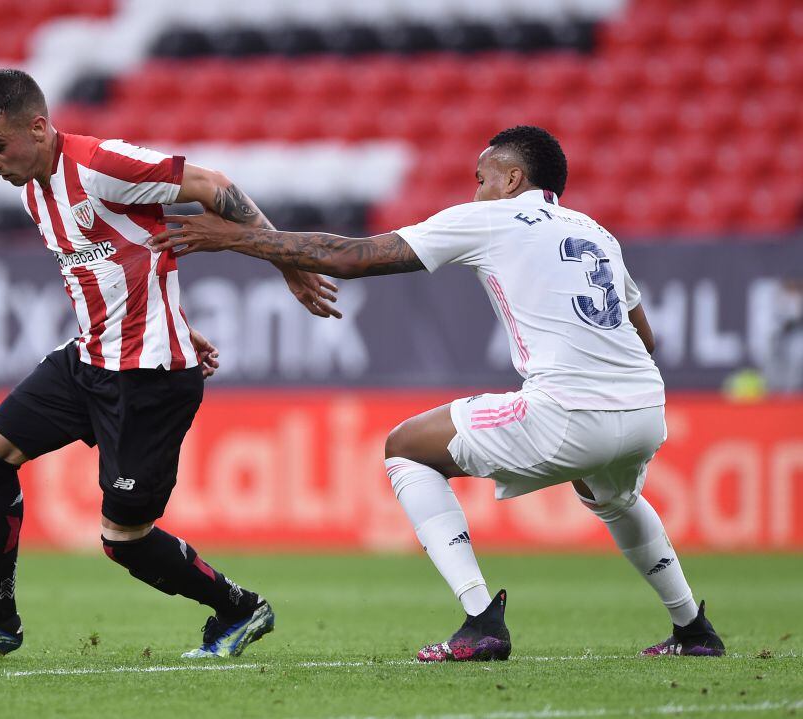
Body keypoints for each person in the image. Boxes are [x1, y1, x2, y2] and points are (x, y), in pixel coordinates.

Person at [148, 125, 726, 661]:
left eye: (482, 179)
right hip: (646, 408)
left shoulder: (492, 219)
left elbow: (353, 257)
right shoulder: (595, 231)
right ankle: (693, 629)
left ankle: (481, 622)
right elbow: (643, 336)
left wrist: (238, 238)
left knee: (405, 447)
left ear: (512, 180)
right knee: (613, 494)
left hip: (570, 411)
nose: (476, 192)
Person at [0, 68, 341, 658]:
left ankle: (240, 609)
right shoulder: (35, 188)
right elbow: (120, 262)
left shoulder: (100, 164)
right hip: (87, 361)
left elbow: (213, 185)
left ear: (37, 128)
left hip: (149, 380)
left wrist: (287, 260)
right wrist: (177, 319)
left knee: (125, 540)